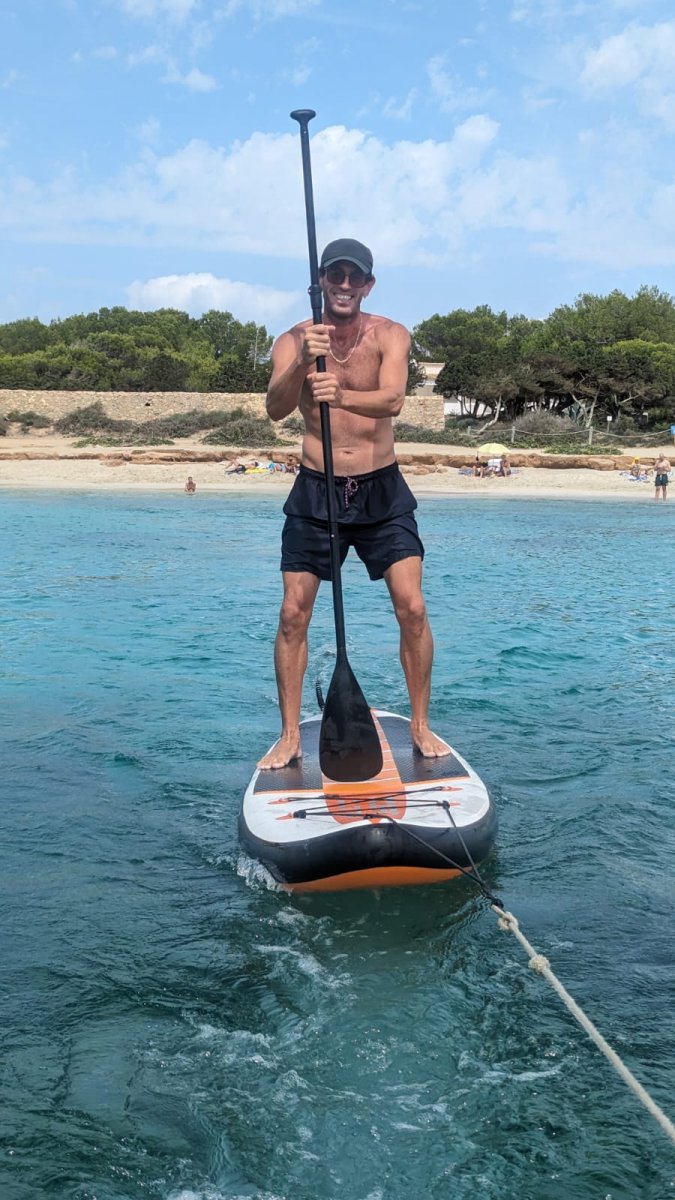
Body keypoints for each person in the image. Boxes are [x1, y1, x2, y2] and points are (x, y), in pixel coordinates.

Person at [257, 237, 450, 770]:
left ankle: (420, 724)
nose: (344, 285)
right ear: (321, 280)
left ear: (368, 284)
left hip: (381, 490)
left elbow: (393, 399)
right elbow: (275, 407)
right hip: (316, 489)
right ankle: (289, 735)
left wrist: (338, 393)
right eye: (335, 275)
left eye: (354, 277)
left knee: (412, 607)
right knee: (293, 614)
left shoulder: (390, 334)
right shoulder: (292, 339)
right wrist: (302, 361)